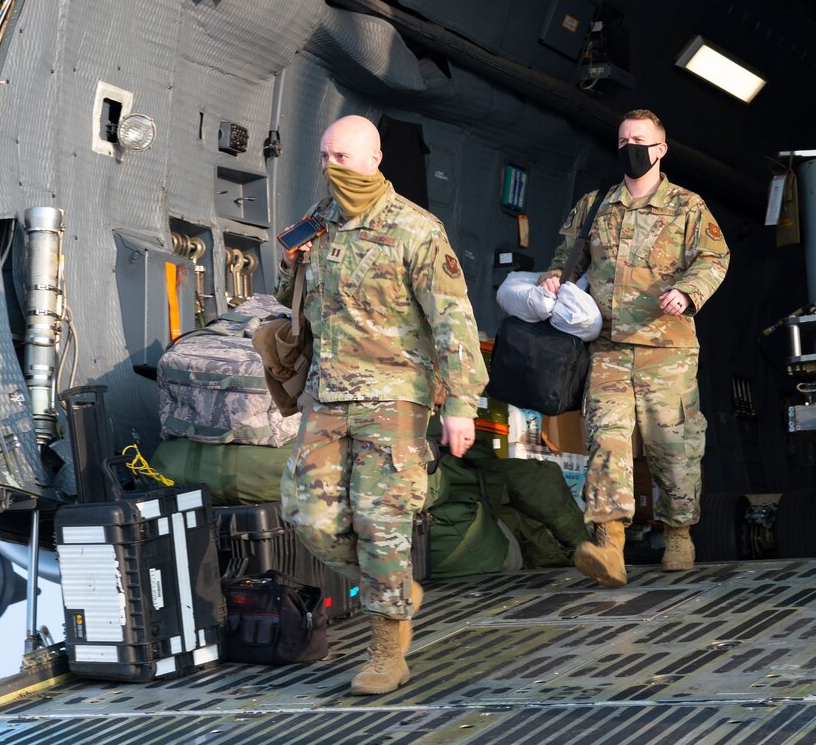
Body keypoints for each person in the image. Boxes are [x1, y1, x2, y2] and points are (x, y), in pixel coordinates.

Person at [274, 114, 487, 694]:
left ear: (374, 160)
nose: (330, 167)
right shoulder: (317, 222)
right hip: (328, 393)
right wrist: (289, 268)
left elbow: (453, 320)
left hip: (394, 397)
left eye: (342, 157)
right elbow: (291, 300)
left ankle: (387, 649)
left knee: (380, 520)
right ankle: (392, 586)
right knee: (308, 515)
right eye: (325, 157)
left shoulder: (416, 230)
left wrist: (462, 403)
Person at [540, 109, 729, 587]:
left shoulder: (687, 206)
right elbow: (569, 255)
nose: (631, 148)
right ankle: (610, 545)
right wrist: (555, 276)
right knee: (606, 440)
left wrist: (687, 291)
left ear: (660, 149)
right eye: (624, 140)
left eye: (640, 141)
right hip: (607, 348)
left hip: (667, 349)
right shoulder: (596, 204)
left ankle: (679, 533)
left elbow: (714, 258)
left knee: (673, 444)